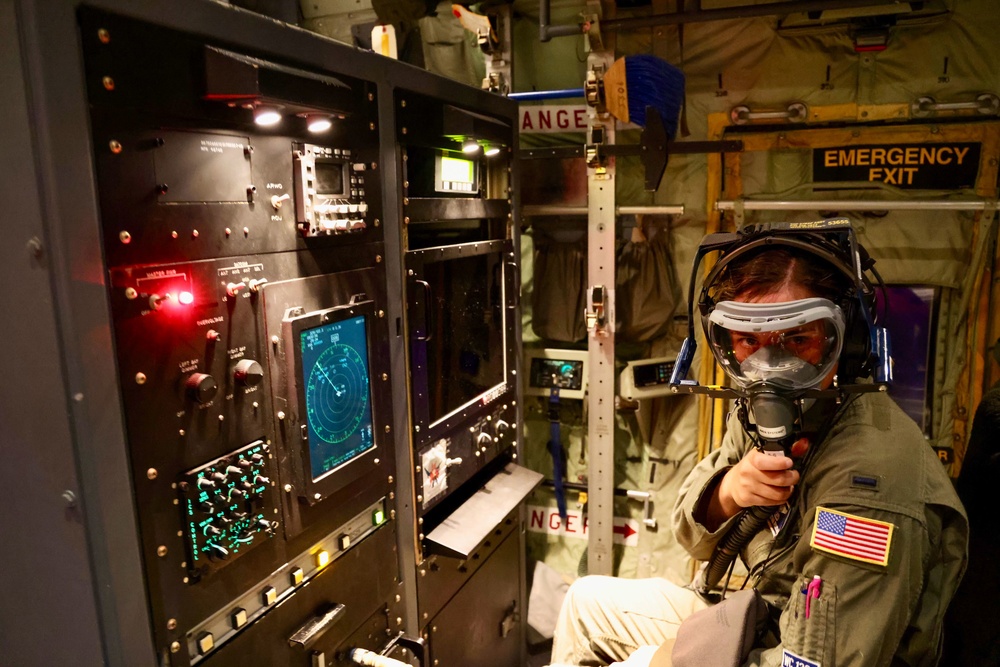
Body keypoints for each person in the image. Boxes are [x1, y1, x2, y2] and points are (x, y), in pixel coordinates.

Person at [549, 221, 968, 667]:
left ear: (844, 344)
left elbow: (814, 663)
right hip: (762, 615)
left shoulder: (869, 485)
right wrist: (728, 493)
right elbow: (692, 538)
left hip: (797, 648)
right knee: (586, 601)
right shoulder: (764, 410)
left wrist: (661, 662)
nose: (770, 365)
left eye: (798, 339)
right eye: (748, 339)